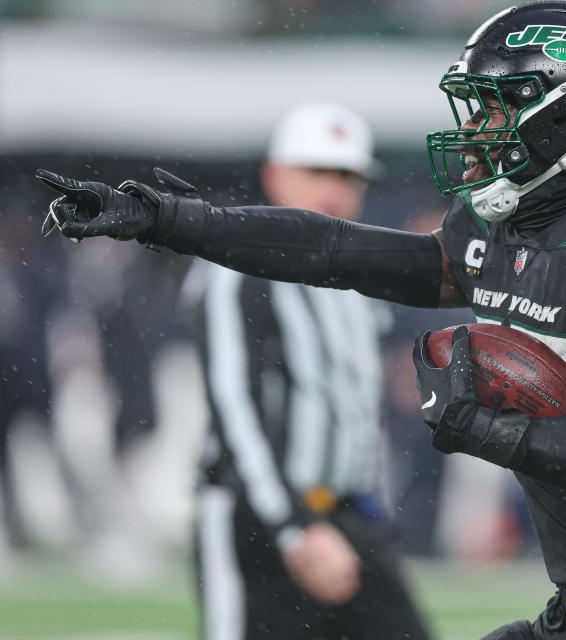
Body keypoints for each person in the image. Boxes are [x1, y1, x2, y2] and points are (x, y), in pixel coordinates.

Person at [36, 2, 566, 638]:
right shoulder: (515, 220)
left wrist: (491, 431)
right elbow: (348, 251)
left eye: (500, 105)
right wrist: (177, 221)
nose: (478, 126)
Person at [185, 102, 432, 640]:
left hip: (348, 514)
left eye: (347, 175)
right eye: (316, 171)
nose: (333, 189)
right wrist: (294, 526)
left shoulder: (359, 277)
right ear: (275, 177)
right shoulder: (237, 269)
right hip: (262, 518)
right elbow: (236, 407)